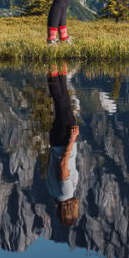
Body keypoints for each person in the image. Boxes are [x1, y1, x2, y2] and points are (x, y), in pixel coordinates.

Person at [46, 66, 81, 227]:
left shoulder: (65, 193)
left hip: (63, 141)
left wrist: (72, 140)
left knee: (62, 104)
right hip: (56, 142)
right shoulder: (54, 193)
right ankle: (60, 68)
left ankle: (53, 69)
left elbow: (63, 165)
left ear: (71, 211)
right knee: (63, 102)